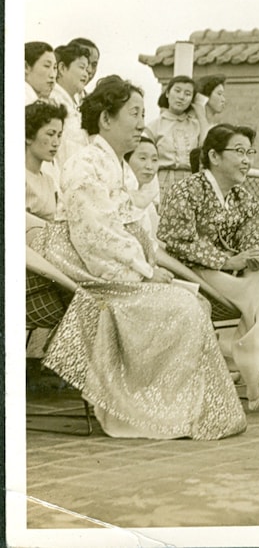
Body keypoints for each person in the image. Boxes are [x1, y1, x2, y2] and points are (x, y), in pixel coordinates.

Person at [31, 76, 246, 440]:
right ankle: (153, 408)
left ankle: (174, 405)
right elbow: (97, 235)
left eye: (143, 113)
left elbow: (133, 229)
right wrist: (144, 273)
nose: (141, 122)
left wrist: (151, 267)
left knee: (191, 301)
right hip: (87, 272)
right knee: (183, 306)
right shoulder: (85, 165)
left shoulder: (117, 167)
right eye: (134, 112)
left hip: (116, 265)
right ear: (106, 119)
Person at [158, 124, 259, 415]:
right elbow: (175, 239)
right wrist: (225, 261)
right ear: (214, 156)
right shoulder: (186, 189)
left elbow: (253, 234)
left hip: (232, 272)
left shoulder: (242, 197)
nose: (247, 159)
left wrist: (254, 255)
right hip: (193, 271)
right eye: (239, 152)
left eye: (250, 152)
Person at [144, 75, 208, 200]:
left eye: (187, 94)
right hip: (162, 181)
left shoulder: (196, 125)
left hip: (191, 182)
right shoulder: (155, 126)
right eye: (177, 91)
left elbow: (205, 148)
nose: (181, 97)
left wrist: (201, 114)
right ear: (168, 93)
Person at [50, 43, 91, 169]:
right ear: (62, 68)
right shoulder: (53, 100)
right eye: (81, 67)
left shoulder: (74, 103)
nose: (86, 74)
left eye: (86, 69)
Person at [25, 102, 66, 221]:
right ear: (28, 136)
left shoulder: (49, 181)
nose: (56, 143)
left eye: (59, 135)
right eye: (50, 134)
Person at [125, 136, 162, 237]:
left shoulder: (147, 202)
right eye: (143, 158)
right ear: (126, 160)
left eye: (154, 160)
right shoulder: (121, 197)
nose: (149, 166)